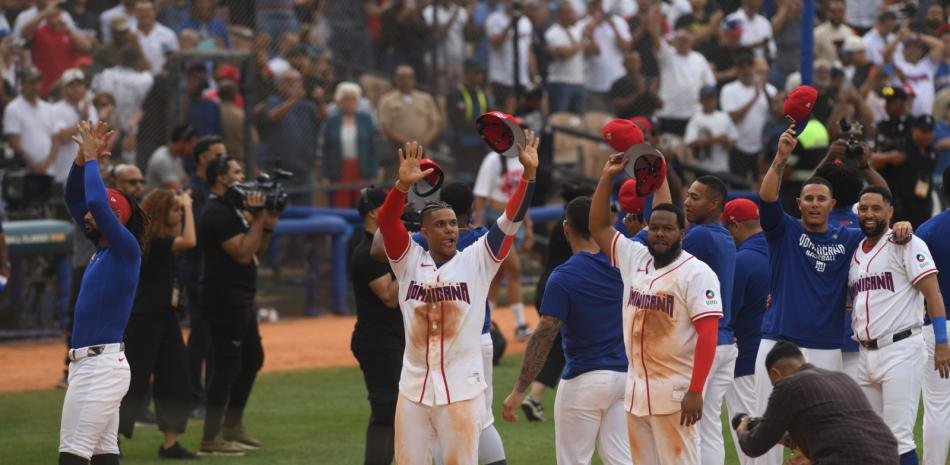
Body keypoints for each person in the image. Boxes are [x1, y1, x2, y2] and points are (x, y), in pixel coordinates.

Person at [754, 126, 913, 465]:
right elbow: (767, 197)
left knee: (821, 435)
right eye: (808, 199)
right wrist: (780, 160)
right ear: (799, 203)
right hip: (779, 341)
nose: (814, 204)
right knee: (766, 432)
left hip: (826, 349)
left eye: (820, 199)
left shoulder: (849, 238)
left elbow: (883, 205)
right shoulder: (785, 231)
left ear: (833, 205)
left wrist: (900, 223)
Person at [375, 132, 537, 465]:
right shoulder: (408, 262)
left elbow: (510, 221)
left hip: (461, 393)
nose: (450, 230)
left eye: (452, 224)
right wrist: (401, 187)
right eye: (440, 225)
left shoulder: (478, 260)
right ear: (424, 231)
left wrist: (528, 177)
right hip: (414, 391)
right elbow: (387, 222)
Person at [589, 154, 721, 465]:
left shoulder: (696, 273)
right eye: (655, 228)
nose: (660, 233)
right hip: (637, 393)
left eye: (668, 229)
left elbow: (708, 335)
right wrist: (607, 176)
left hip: (677, 395)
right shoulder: (635, 257)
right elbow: (597, 226)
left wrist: (696, 390)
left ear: (681, 234)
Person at [501, 195, 631, 465]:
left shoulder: (563, 276)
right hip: (624, 379)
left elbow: (544, 335)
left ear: (566, 228)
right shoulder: (625, 264)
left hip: (584, 381)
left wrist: (519, 389)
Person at [60, 120, 146, 465]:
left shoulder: (126, 248)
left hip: (100, 367)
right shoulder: (103, 250)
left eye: (103, 213)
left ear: (117, 219)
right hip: (94, 365)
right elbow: (74, 197)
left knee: (72, 457)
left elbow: (94, 199)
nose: (89, 215)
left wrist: (94, 158)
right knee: (103, 457)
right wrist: (82, 158)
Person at [849, 185, 950, 465]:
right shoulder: (856, 252)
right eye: (864, 208)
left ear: (890, 212)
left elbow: (933, 293)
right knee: (871, 438)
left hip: (901, 349)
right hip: (865, 354)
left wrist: (942, 341)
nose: (869, 214)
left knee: (898, 438)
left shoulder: (905, 242)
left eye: (876, 208)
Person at [197, 156, 278, 455]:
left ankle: (231, 425)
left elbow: (259, 247)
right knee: (226, 365)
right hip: (223, 297)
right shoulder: (216, 211)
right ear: (220, 178)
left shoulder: (233, 209)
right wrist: (257, 219)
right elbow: (243, 253)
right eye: (237, 172)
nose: (243, 177)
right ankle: (210, 436)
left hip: (240, 295)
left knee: (252, 357)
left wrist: (268, 219)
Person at [117, 189, 197, 459]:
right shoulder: (153, 240)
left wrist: (183, 207)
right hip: (144, 321)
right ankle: (108, 441)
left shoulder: (162, 241)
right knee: (133, 383)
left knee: (176, 378)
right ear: (163, 214)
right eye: (175, 210)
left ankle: (170, 444)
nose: (179, 214)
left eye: (180, 210)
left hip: (167, 318)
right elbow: (190, 240)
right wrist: (188, 206)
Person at [736, 341, 899, 464]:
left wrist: (742, 428)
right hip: (889, 456)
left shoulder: (788, 385)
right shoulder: (841, 378)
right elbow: (839, 433)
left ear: (775, 373)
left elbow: (755, 445)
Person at [681, 175, 737, 465]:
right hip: (725, 340)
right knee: (710, 425)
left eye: (695, 197)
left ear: (714, 204)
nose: (687, 202)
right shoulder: (722, 234)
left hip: (704, 342)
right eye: (688, 195)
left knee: (689, 428)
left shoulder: (699, 236)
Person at [350, 186, 403, 465]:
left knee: (397, 412)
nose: (398, 210)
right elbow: (389, 297)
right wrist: (409, 260)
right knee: (386, 411)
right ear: (373, 213)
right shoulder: (365, 254)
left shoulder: (382, 251)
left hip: (392, 339)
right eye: (390, 206)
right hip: (377, 342)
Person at [720, 198, 767, 465]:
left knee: (750, 440)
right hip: (783, 357)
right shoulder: (780, 250)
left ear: (734, 226)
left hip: (747, 358)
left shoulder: (741, 260)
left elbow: (728, 313)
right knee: (773, 435)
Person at [181, 135, 225, 416]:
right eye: (217, 155)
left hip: (212, 269)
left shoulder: (212, 188)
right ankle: (194, 396)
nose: (223, 159)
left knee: (211, 336)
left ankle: (207, 396)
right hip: (197, 268)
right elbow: (196, 234)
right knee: (201, 334)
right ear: (202, 158)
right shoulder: (194, 190)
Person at [473, 147, 534, 341]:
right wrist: (480, 224)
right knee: (514, 270)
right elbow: (481, 195)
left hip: (516, 220)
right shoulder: (493, 159)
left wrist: (529, 228)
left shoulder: (524, 159)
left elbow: (524, 197)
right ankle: (521, 325)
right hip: (496, 221)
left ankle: (484, 322)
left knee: (498, 275)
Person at [915, 166, 950, 465]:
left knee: (937, 408)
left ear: (943, 191)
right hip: (938, 329)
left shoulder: (927, 231)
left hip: (938, 329)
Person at [322, 82, 378, 208]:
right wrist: (324, 175)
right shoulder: (332, 121)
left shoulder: (366, 120)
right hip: (339, 168)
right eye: (346, 98)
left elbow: (372, 148)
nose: (349, 102)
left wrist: (374, 173)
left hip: (361, 167)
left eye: (353, 99)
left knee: (362, 203)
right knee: (340, 203)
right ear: (339, 101)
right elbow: (326, 149)